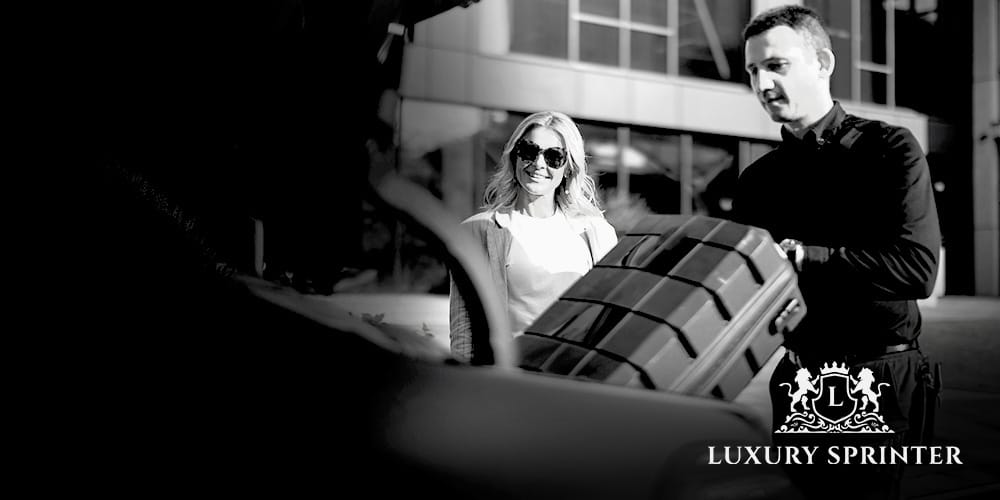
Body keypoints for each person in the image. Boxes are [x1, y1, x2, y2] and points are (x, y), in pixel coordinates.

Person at [734, 5, 941, 499]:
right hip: (797, 378)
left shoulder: (890, 148)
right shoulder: (758, 180)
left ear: (824, 62)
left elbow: (917, 270)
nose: (761, 84)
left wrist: (806, 257)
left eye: (776, 66)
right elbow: (749, 290)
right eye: (752, 71)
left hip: (877, 378)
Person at [449, 111, 618, 364]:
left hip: (574, 380)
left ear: (568, 167)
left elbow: (609, 324)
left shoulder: (596, 234)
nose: (539, 164)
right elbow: (464, 333)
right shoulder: (478, 232)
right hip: (513, 381)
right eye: (529, 151)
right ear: (515, 155)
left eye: (553, 156)